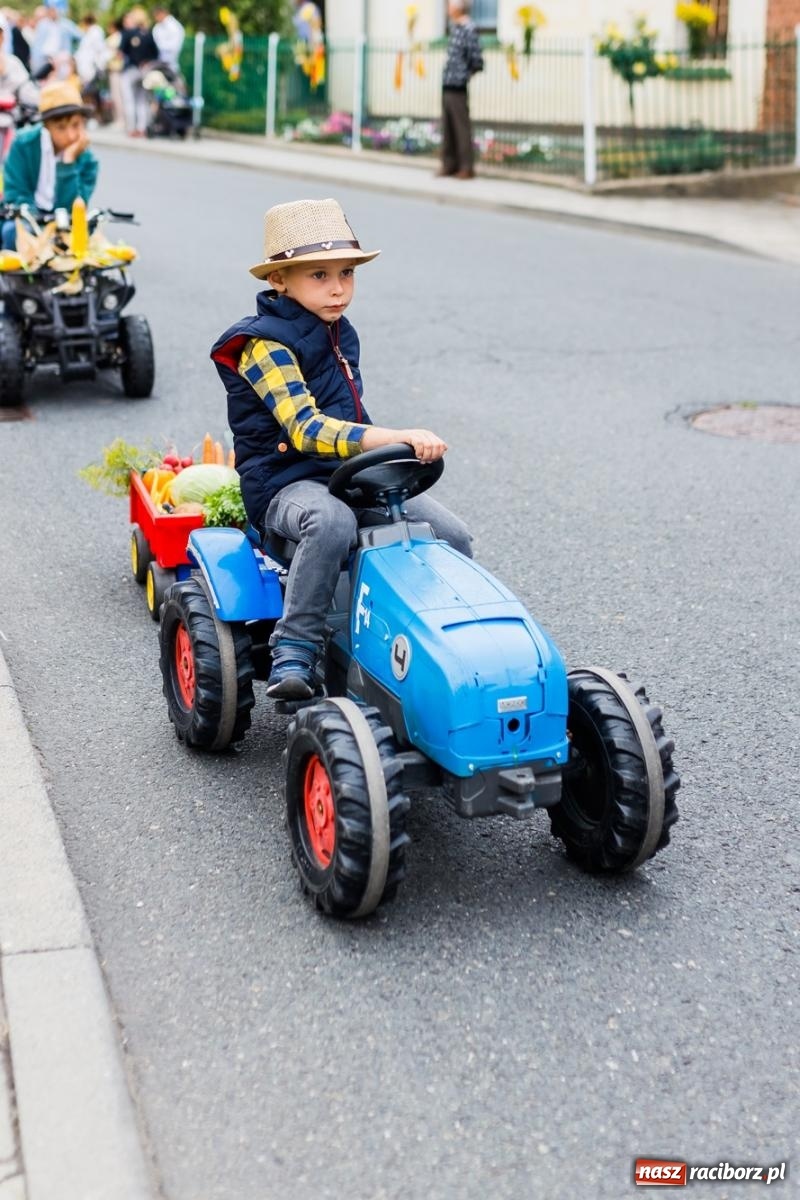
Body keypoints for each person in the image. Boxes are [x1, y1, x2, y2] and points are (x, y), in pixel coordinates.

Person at [211, 198, 472, 701]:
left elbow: (350, 418)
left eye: (347, 273)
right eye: (320, 275)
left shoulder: (337, 332)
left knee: (450, 534)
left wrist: (392, 459)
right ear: (280, 281)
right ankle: (296, 646)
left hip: (348, 474)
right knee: (331, 522)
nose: (338, 288)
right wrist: (394, 437)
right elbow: (306, 428)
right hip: (285, 484)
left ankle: (436, 643)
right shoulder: (262, 345)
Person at [1, 79, 97, 247]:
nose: (70, 135)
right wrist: (40, 223)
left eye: (76, 125)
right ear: (46, 126)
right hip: (29, 219)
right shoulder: (23, 145)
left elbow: (74, 206)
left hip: (65, 223)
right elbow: (16, 194)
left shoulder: (88, 160)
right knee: (12, 233)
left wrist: (68, 162)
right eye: (61, 127)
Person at [438, 0, 483, 180]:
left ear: (458, 7)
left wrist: (465, 75)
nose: (447, 8)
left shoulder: (468, 29)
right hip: (448, 84)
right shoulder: (456, 27)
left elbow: (477, 60)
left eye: (449, 5)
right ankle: (449, 164)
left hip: (458, 86)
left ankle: (466, 167)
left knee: (461, 128)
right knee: (448, 127)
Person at [118, 6, 157, 136]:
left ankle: (131, 128)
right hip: (144, 71)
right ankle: (142, 128)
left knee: (129, 100)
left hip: (130, 70)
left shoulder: (128, 33)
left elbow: (121, 53)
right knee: (142, 100)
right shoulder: (149, 34)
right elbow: (155, 54)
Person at [151, 5, 184, 73]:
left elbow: (175, 46)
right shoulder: (157, 28)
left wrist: (161, 46)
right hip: (159, 62)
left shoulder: (174, 26)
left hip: (172, 63)